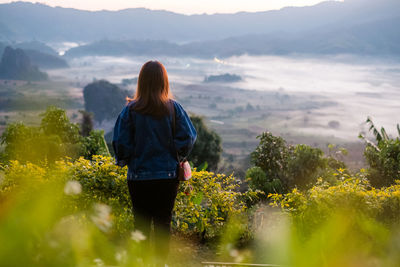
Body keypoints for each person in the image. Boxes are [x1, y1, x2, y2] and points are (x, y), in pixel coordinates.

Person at [112, 60, 197, 266]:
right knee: (162, 225)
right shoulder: (174, 108)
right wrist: (178, 154)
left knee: (139, 226)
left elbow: (120, 142)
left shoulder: (130, 111)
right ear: (164, 82)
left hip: (138, 178)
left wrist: (127, 158)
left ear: (141, 82)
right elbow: (189, 136)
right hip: (167, 178)